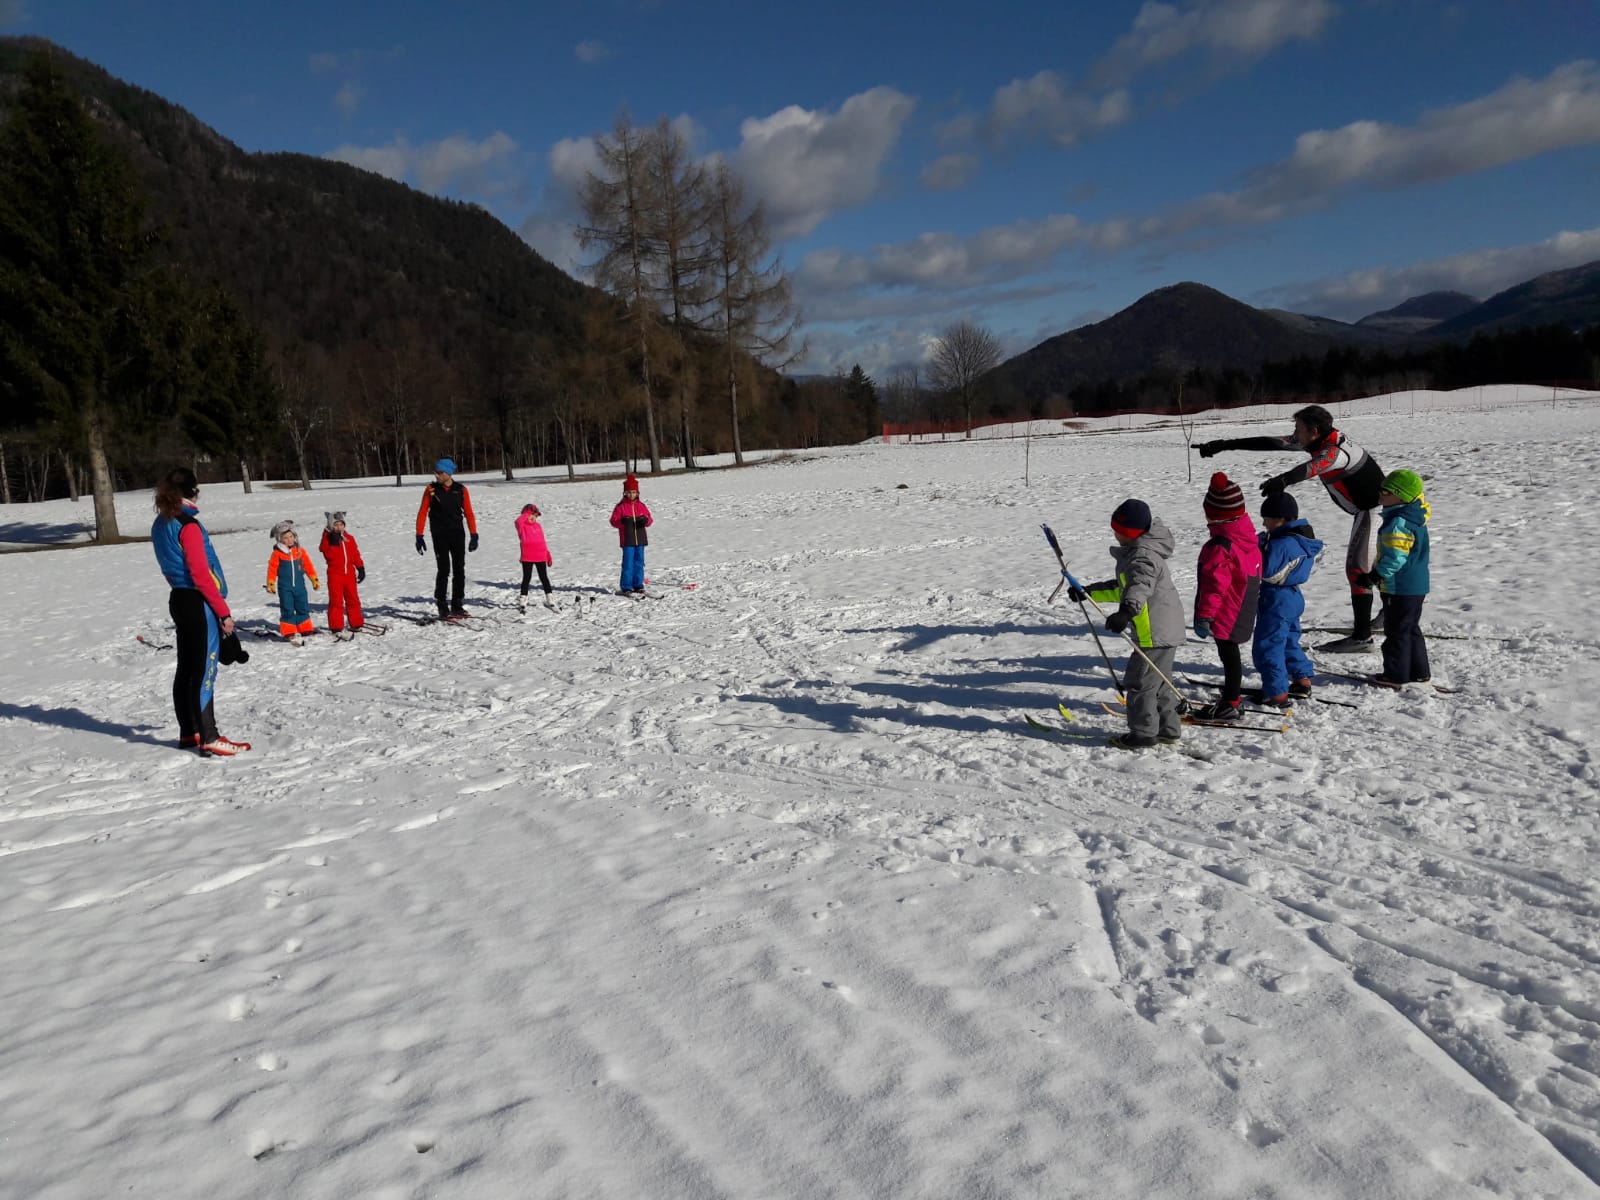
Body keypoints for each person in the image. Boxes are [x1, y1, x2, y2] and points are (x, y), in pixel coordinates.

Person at [1198, 405, 1384, 652]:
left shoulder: (1335, 451)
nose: (1294, 433)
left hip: (1372, 511)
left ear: (1314, 431)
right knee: (1375, 567)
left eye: (1298, 429)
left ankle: (1362, 638)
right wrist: (1223, 444)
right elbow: (1271, 442)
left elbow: (1312, 468)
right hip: (1369, 511)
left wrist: (1283, 480)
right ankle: (1389, 614)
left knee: (1358, 571)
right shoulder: (1318, 441)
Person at [1067, 498, 1185, 750]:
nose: (1114, 534)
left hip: (1154, 631)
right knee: (1160, 683)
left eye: (1118, 531)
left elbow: (1139, 588)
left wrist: (1126, 612)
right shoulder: (1140, 552)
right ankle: (1168, 730)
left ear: (1131, 532)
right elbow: (1124, 587)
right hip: (1165, 629)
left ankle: (1143, 733)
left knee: (1140, 682)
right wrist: (1088, 592)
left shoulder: (1143, 556)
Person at [150, 467, 251, 757]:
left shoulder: (161, 522)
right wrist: (223, 612)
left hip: (179, 599)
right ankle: (209, 735)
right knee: (204, 670)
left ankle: (189, 731)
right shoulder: (188, 525)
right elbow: (201, 575)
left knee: (186, 669)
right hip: (198, 601)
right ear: (191, 492)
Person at [1191, 473, 1262, 721]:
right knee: (1230, 653)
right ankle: (1232, 697)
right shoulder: (1246, 535)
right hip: (1243, 603)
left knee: (1228, 654)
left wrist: (1205, 616)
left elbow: (1214, 586)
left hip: (1226, 610)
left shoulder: (1220, 546)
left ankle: (1231, 701)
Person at [1360, 469, 1431, 686]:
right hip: (1416, 586)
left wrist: (1374, 575)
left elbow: (1395, 557)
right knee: (1410, 629)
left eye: (1387, 492)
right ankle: (1419, 672)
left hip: (1399, 587)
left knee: (1396, 632)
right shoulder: (1414, 517)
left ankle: (1395, 674)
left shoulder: (1398, 523)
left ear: (1402, 496)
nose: (1380, 494)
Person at [1254, 493, 1323, 707]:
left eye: (1266, 518)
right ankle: (1302, 678)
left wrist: (1257, 549)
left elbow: (1266, 571)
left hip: (1276, 599)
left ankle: (1276, 693)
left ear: (1280, 519)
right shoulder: (1301, 538)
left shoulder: (1281, 544)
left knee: (1269, 646)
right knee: (1289, 640)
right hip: (1292, 597)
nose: (1263, 522)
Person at [416, 458, 478, 619]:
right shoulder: (431, 489)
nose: (435, 475)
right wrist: (419, 535)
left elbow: (469, 513)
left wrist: (474, 535)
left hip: (457, 534)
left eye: (439, 472)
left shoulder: (461, 489)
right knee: (443, 569)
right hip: (439, 535)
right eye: (435, 472)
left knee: (459, 570)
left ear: (448, 473)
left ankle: (457, 604)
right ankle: (442, 603)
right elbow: (422, 512)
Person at [265, 520, 320, 644]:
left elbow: (308, 566)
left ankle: (305, 628)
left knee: (302, 606)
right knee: (287, 608)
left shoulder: (300, 551)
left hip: (300, 586)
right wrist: (271, 582)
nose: (289, 540)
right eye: (286, 538)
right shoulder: (277, 554)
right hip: (285, 587)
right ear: (280, 539)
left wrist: (314, 579)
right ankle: (289, 630)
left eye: (291, 536)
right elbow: (272, 568)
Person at [318, 511, 367, 638]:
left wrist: (360, 567)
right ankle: (336, 626)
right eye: (335, 525)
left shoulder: (349, 538)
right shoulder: (327, 539)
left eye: (341, 524)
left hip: (349, 574)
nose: (339, 527)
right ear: (330, 526)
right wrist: (332, 541)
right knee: (336, 601)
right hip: (335, 574)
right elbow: (328, 555)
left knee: (353, 599)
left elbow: (355, 554)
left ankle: (356, 623)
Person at [609, 474, 653, 595]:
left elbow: (650, 520)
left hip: (640, 539)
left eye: (634, 492)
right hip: (627, 540)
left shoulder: (641, 506)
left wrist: (645, 521)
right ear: (625, 493)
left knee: (639, 562)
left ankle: (638, 584)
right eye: (629, 492)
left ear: (637, 493)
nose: (631, 495)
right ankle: (626, 586)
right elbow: (613, 521)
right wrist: (622, 522)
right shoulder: (621, 507)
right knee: (628, 563)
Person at [514, 502, 555, 612]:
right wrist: (527, 514)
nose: (534, 518)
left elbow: (542, 541)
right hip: (528, 556)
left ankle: (550, 598)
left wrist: (547, 553)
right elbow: (518, 521)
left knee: (544, 577)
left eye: (536, 516)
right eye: (532, 515)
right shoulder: (522, 526)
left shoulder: (538, 526)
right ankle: (523, 599)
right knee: (526, 578)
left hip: (541, 555)